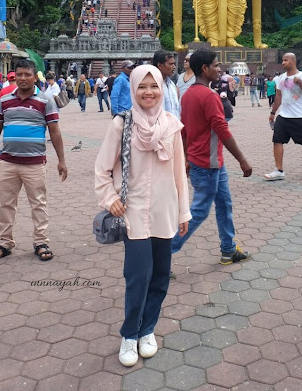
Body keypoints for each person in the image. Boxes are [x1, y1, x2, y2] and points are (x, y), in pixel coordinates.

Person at [95, 64, 190, 366]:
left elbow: (179, 174)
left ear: (162, 89)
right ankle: (129, 334)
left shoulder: (172, 125)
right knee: (138, 276)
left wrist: (183, 212)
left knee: (160, 277)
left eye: (154, 86)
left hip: (164, 212)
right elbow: (102, 169)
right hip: (133, 213)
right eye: (142, 87)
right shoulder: (122, 124)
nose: (148, 92)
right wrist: (110, 198)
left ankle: (148, 329)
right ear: (133, 89)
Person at [0, 60, 68, 262]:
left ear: (35, 77)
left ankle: (41, 242)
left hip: (34, 163)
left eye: (27, 74)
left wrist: (62, 160)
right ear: (14, 76)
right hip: (8, 163)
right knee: (6, 204)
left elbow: (55, 132)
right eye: (19, 74)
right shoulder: (5, 99)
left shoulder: (44, 100)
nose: (23, 78)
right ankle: (4, 244)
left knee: (38, 204)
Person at [171, 49, 252, 265]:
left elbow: (184, 130)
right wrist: (242, 160)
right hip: (207, 164)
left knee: (224, 203)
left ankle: (228, 249)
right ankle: (164, 254)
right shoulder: (209, 96)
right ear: (205, 68)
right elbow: (222, 131)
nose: (219, 69)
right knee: (199, 211)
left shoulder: (188, 95)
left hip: (211, 162)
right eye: (216, 65)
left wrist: (187, 157)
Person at [265, 53, 302, 181]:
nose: (283, 62)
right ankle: (279, 170)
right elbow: (278, 96)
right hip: (284, 116)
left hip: (300, 116)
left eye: (286, 60)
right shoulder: (281, 78)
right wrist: (273, 113)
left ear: (293, 61)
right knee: (277, 141)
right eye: (282, 60)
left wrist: (300, 83)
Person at [153, 50, 180, 119]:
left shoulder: (172, 85)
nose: (174, 67)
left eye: (174, 64)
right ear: (160, 65)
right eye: (171, 64)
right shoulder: (153, 86)